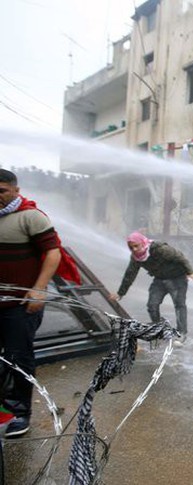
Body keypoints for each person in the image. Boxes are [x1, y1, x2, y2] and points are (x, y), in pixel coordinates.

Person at [0, 169, 80, 437]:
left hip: (21, 304)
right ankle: (4, 408)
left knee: (18, 357)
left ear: (16, 190)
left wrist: (39, 289)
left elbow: (52, 253)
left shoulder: (30, 217)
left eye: (1, 191)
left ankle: (20, 414)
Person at [110, 232, 193, 341]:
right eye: (131, 247)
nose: (134, 249)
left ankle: (181, 333)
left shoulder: (159, 249)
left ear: (142, 243)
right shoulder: (136, 258)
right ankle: (159, 329)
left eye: (136, 246)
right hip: (159, 280)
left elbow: (179, 257)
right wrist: (120, 293)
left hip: (177, 279)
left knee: (179, 305)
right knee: (152, 305)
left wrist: (191, 272)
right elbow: (130, 275)